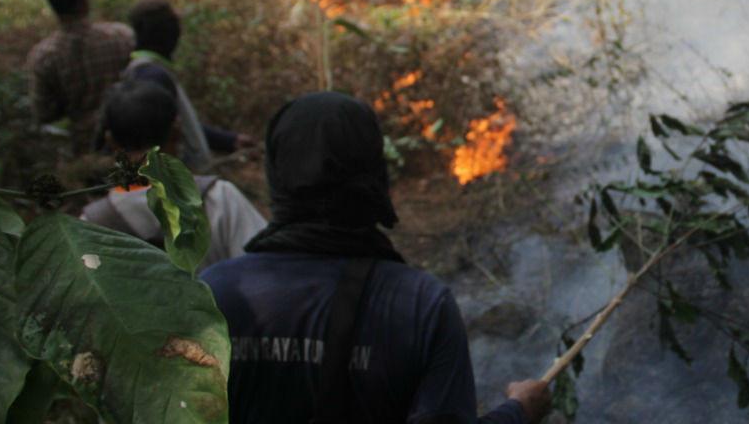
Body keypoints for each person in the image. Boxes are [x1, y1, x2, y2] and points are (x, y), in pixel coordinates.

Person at [201, 92, 551, 424]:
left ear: (276, 172)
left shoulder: (210, 295)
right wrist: (519, 411)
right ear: (372, 173)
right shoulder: (421, 306)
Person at [82, 79, 267, 268]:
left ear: (110, 141)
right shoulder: (219, 198)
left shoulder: (91, 225)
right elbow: (262, 269)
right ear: (177, 132)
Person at [123, 0, 253, 172]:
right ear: (172, 35)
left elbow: (181, 124)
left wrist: (229, 140)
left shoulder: (147, 70)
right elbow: (161, 137)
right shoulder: (153, 77)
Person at [26, 0, 135, 155]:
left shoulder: (43, 56)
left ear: (53, 7)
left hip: (83, 151)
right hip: (134, 139)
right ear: (84, 0)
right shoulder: (122, 36)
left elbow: (43, 114)